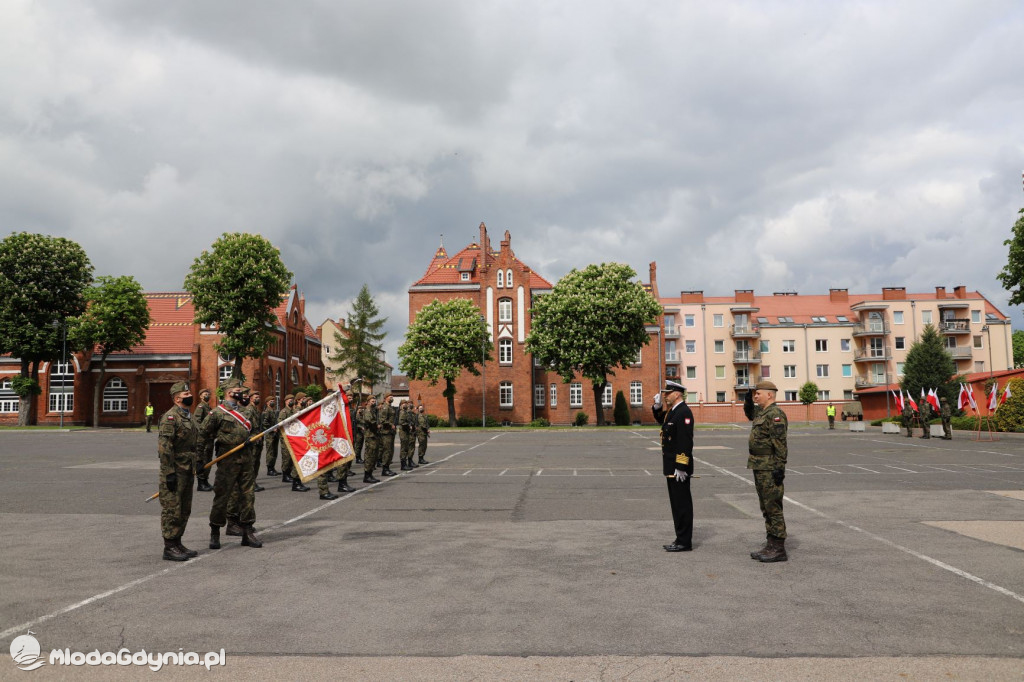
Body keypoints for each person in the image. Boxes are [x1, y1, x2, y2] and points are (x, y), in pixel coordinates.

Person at [203, 378, 262, 549]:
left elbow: (256, 431)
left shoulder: (247, 413)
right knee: (222, 497)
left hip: (246, 460)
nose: (243, 394)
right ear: (229, 392)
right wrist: (201, 461)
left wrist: (252, 440)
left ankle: (247, 531)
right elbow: (204, 437)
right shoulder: (217, 413)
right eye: (239, 390)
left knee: (248, 496)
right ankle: (215, 532)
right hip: (227, 461)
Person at [747, 380, 788, 563]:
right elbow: (750, 413)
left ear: (769, 395)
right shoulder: (762, 412)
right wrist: (748, 399)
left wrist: (779, 468)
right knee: (765, 507)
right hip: (759, 465)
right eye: (754, 394)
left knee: (773, 507)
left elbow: (780, 444)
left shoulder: (776, 415)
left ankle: (779, 548)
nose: (756, 396)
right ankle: (770, 544)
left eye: (758, 393)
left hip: (770, 467)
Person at [651, 380, 694, 552]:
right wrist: (656, 406)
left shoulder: (684, 412)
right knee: (676, 504)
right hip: (671, 467)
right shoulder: (673, 411)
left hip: (678, 469)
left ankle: (684, 541)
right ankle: (680, 538)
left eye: (667, 393)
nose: (665, 396)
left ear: (677, 394)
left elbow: (685, 442)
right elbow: (662, 420)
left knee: (682, 504)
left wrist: (681, 466)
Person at [158, 382, 198, 561]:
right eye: (186, 393)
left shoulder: (189, 417)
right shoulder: (170, 418)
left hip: (188, 469)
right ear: (176, 398)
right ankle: (169, 546)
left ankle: (178, 541)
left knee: (184, 508)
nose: (190, 395)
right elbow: (165, 448)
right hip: (175, 469)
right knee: (172, 509)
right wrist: (169, 473)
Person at [194, 388, 214, 491]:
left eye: (208, 394)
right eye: (205, 394)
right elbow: (196, 421)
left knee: (208, 460)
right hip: (204, 438)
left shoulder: (208, 407)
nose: (207, 395)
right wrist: (203, 432)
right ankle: (201, 483)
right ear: (201, 396)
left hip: (209, 438)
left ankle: (205, 480)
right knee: (202, 460)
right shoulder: (201, 407)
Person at [362, 395, 381, 483]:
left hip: (374, 435)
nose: (374, 402)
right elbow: (368, 420)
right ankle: (367, 475)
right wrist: (376, 425)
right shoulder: (368, 410)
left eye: (374, 401)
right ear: (368, 401)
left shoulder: (374, 411)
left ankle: (370, 474)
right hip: (370, 435)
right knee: (369, 455)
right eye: (372, 401)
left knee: (374, 455)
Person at [379, 393, 398, 476]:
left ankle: (387, 467)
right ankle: (385, 469)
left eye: (392, 397)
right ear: (386, 398)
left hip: (391, 432)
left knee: (390, 450)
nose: (392, 398)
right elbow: (382, 420)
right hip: (386, 432)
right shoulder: (385, 407)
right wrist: (391, 425)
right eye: (390, 397)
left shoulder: (390, 407)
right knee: (387, 451)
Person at [263, 397, 281, 476]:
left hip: (275, 434)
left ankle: (273, 467)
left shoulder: (273, 411)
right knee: (270, 452)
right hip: (270, 435)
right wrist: (272, 428)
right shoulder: (267, 411)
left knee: (274, 452)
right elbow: (264, 423)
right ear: (267, 403)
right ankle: (269, 469)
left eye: (273, 401)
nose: (273, 402)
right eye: (271, 401)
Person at [399, 401, 416, 470]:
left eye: (406, 404)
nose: (406, 405)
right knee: (404, 448)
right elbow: (401, 422)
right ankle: (403, 464)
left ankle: (406, 463)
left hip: (406, 432)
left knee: (406, 448)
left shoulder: (406, 412)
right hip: (403, 432)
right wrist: (409, 426)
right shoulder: (403, 412)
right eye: (404, 404)